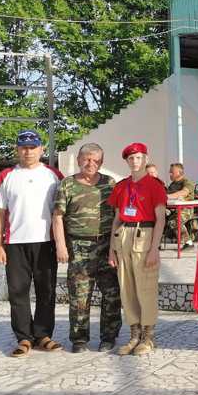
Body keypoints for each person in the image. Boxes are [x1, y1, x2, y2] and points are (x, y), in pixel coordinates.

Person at [0, 130, 63, 357]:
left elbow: (62, 212)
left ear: (41, 149)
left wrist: (62, 243)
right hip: (15, 244)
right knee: (18, 293)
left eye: (33, 147)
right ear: (17, 149)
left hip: (46, 242)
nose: (28, 151)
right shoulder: (7, 175)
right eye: (23, 147)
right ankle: (23, 337)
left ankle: (42, 335)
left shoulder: (54, 175)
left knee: (46, 291)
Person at [52, 143, 122, 353]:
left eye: (95, 160)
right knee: (80, 296)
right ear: (78, 160)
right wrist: (61, 246)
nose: (90, 163)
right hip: (78, 247)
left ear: (101, 162)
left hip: (106, 246)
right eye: (86, 159)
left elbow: (118, 216)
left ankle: (108, 337)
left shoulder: (110, 184)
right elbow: (57, 217)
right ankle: (79, 339)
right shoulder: (67, 184)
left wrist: (116, 246)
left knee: (111, 294)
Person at [108, 142, 167, 356]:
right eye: (131, 158)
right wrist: (111, 250)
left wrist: (154, 249)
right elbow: (116, 219)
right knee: (127, 288)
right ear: (126, 161)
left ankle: (148, 336)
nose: (135, 161)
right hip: (124, 235)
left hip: (145, 235)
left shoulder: (155, 185)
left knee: (146, 288)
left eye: (139, 157)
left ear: (145, 159)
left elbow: (160, 219)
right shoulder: (121, 186)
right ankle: (134, 334)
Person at [166, 162, 196, 249]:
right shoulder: (172, 185)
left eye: (172, 172)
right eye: (170, 172)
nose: (170, 174)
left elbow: (184, 192)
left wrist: (167, 196)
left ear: (180, 172)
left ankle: (189, 242)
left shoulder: (187, 182)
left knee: (175, 222)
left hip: (186, 209)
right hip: (172, 209)